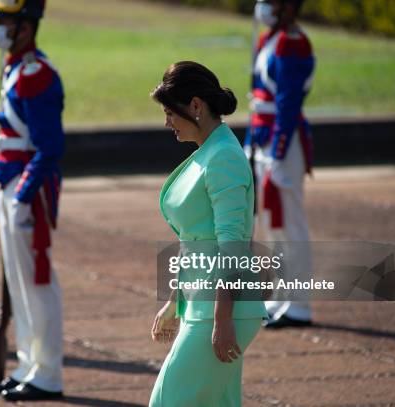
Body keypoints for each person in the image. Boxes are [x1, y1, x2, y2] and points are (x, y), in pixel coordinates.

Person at [149, 61, 267, 406]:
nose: (167, 122)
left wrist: (222, 319)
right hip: (203, 306)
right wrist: (174, 301)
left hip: (223, 310)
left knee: (168, 401)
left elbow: (232, 246)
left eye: (171, 112)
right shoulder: (210, 152)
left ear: (196, 106)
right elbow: (196, 240)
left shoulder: (223, 157)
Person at [0, 0, 65, 401]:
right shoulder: (17, 68)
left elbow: (49, 148)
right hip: (11, 186)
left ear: (26, 28)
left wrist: (23, 195)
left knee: (37, 283)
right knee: (19, 285)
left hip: (27, 192)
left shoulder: (37, 75)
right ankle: (28, 365)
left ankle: (47, 372)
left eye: (5, 21)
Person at [246, 0, 315, 328]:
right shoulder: (270, 38)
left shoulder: (294, 43)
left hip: (281, 141)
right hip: (265, 137)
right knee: (274, 225)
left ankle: (299, 304)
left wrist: (278, 149)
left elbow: (288, 103)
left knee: (291, 226)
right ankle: (280, 298)